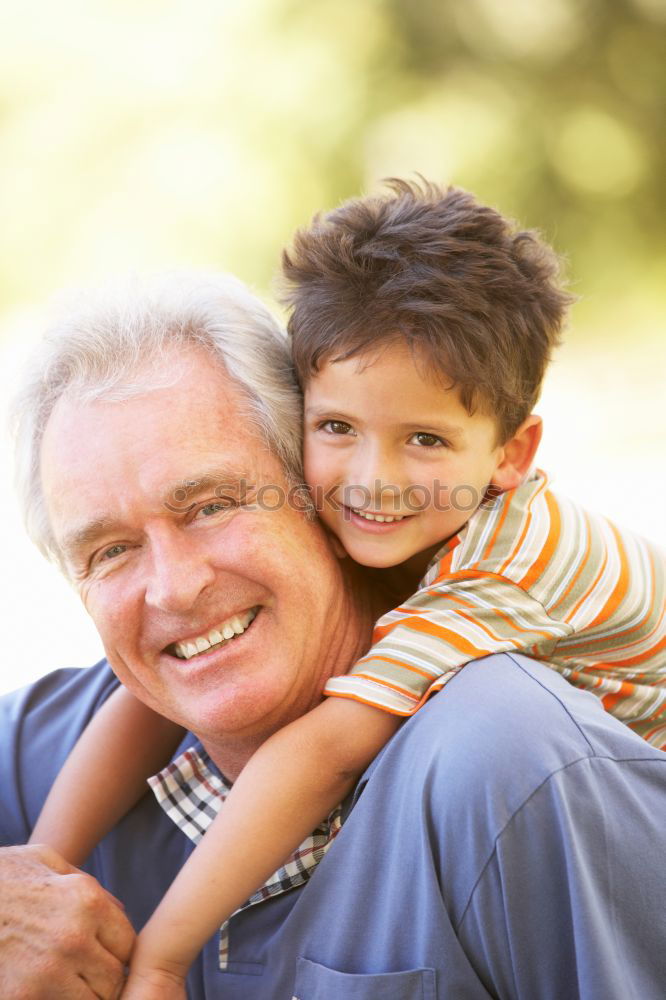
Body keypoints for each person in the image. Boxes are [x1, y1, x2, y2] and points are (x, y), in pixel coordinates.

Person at [28, 183, 666, 996]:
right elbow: (149, 696)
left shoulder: (494, 584)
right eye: (337, 428)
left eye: (426, 439)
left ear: (512, 452)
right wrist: (39, 879)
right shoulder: (392, 518)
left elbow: (325, 754)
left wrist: (158, 961)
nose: (373, 480)